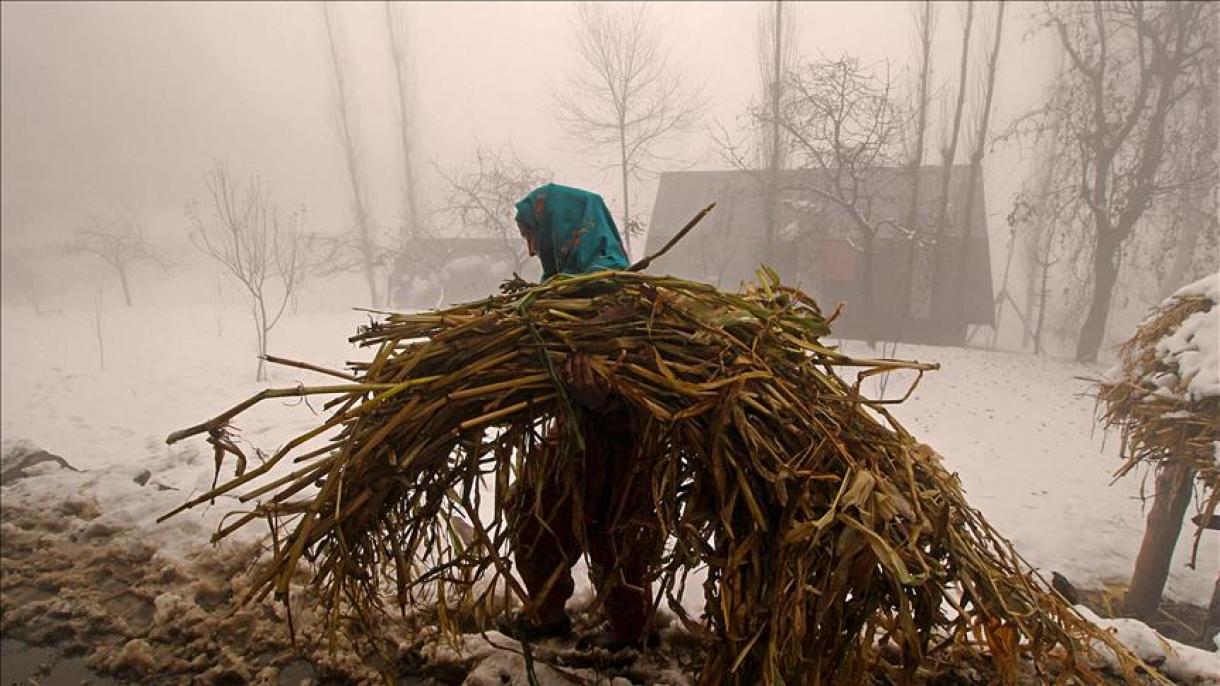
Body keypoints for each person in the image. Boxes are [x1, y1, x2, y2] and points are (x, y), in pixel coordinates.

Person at [500, 184, 660, 650]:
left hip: (623, 436)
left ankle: (633, 639)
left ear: (563, 228)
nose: (531, 249)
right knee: (535, 510)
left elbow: (642, 379)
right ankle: (547, 612)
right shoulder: (562, 288)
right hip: (576, 430)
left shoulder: (609, 288)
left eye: (534, 234)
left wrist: (603, 398)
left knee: (617, 533)